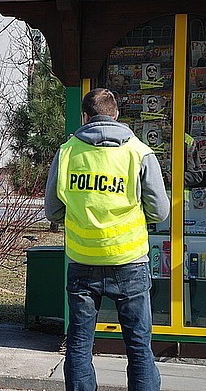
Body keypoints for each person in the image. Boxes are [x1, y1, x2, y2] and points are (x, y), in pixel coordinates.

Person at [45, 88, 169, 391]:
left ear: (85, 117)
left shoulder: (67, 152)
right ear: (115, 116)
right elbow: (160, 210)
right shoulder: (139, 152)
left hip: (82, 262)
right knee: (139, 347)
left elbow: (52, 210)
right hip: (129, 263)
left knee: (79, 346)